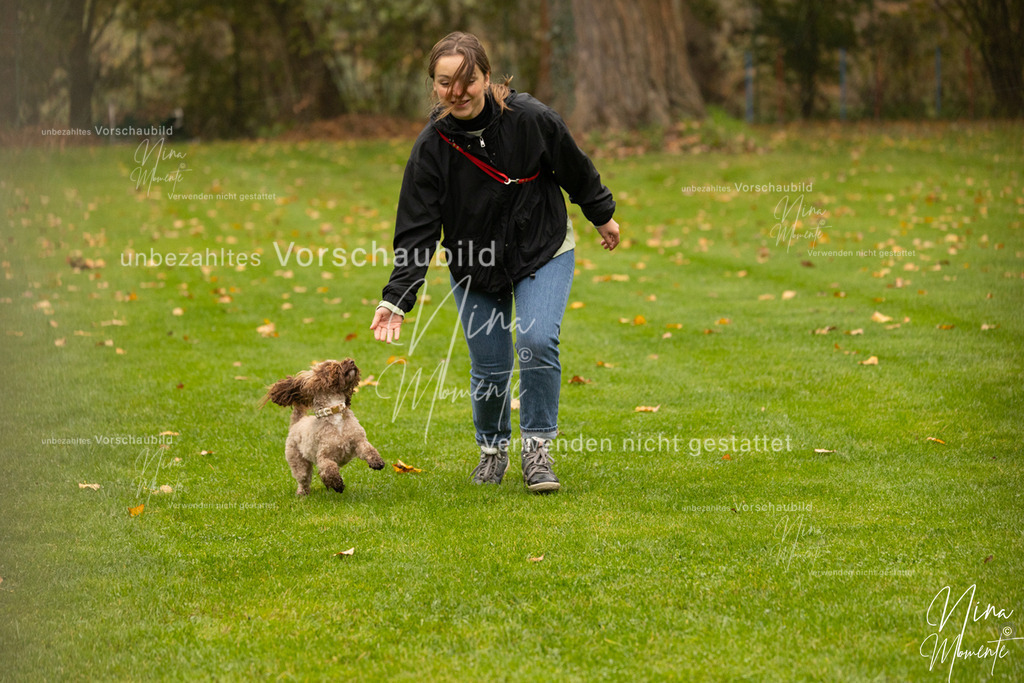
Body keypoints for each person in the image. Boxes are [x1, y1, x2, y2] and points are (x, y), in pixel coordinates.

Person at [370, 31, 620, 493]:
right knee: (489, 364)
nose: (457, 92)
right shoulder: (431, 148)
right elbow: (417, 229)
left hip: (541, 248)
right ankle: (492, 451)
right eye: (445, 82)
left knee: (537, 338)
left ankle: (538, 449)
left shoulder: (531, 119)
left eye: (467, 80)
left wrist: (601, 214)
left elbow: (574, 167)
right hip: (475, 265)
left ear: (488, 77)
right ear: (434, 85)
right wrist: (397, 298)